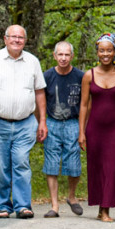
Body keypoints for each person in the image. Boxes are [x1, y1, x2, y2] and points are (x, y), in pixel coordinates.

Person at [0, 25, 48, 219]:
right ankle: (4, 205)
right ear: (5, 39)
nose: (17, 40)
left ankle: (23, 206)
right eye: (13, 37)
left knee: (21, 163)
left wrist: (42, 122)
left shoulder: (32, 61)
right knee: (1, 167)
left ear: (25, 40)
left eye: (20, 37)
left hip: (26, 123)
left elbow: (40, 92)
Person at [78, 33, 115, 222]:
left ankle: (106, 210)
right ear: (97, 52)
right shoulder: (89, 75)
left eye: (109, 50)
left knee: (112, 167)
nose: (105, 54)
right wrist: (81, 132)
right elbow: (84, 105)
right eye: (102, 50)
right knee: (97, 167)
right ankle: (100, 207)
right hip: (94, 128)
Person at [41, 41, 84, 218]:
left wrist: (83, 129)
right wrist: (41, 122)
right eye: (60, 54)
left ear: (72, 56)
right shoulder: (47, 76)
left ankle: (72, 197)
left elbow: (85, 104)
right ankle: (54, 206)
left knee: (74, 164)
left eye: (67, 55)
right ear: (54, 56)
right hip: (52, 122)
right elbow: (40, 102)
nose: (63, 58)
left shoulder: (81, 76)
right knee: (51, 164)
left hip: (73, 122)